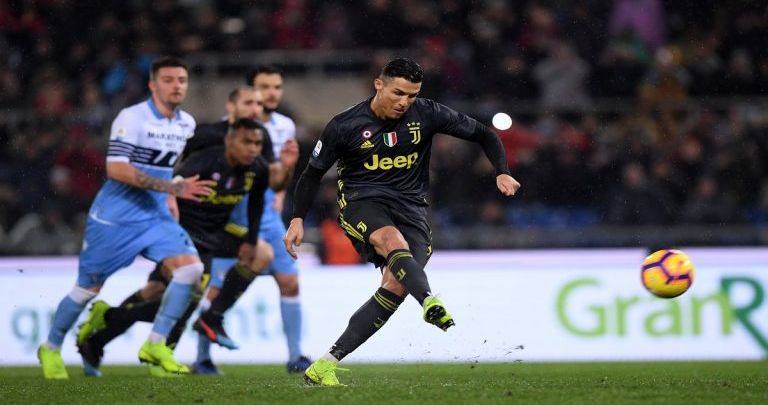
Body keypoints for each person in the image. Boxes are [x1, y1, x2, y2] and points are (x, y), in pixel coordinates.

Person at [284, 57, 521, 386]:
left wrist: (502, 172)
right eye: (398, 93)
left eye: (412, 95)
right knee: (392, 242)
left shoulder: (427, 113)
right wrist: (297, 218)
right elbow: (311, 175)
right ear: (378, 85)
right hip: (362, 203)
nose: (404, 102)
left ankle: (325, 364)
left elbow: (485, 134)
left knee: (395, 285)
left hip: (412, 209)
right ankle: (429, 301)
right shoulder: (345, 125)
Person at [75, 89, 297, 376]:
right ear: (231, 111)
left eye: (257, 144)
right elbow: (168, 184)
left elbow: (260, 197)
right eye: (249, 103)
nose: (253, 148)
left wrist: (251, 240)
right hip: (183, 231)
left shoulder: (258, 158)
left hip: (217, 230)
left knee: (259, 254)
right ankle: (111, 332)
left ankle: (210, 317)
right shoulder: (204, 150)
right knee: (169, 293)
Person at [37, 56, 216, 379]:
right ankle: (50, 347)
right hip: (115, 219)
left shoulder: (185, 124)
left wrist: (169, 196)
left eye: (182, 80)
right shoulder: (132, 118)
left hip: (155, 216)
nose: (177, 86)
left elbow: (163, 166)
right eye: (168, 80)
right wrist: (172, 187)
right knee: (87, 290)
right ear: (152, 85)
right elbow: (117, 170)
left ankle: (155, 344)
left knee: (191, 270)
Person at [206, 64, 311, 373]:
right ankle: (202, 358)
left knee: (290, 282)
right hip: (231, 216)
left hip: (267, 215)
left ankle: (296, 356)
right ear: (250, 92)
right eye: (265, 87)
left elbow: (283, 168)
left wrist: (281, 191)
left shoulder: (284, 126)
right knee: (216, 288)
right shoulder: (225, 130)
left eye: (277, 87)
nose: (272, 93)